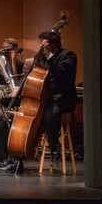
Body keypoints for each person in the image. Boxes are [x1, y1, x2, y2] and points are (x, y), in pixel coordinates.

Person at [35, 30, 77, 161]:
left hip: (64, 97)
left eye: (45, 44)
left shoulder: (68, 56)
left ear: (53, 43)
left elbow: (62, 72)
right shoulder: (43, 58)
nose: (43, 47)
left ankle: (54, 148)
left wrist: (49, 54)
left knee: (50, 115)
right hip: (48, 97)